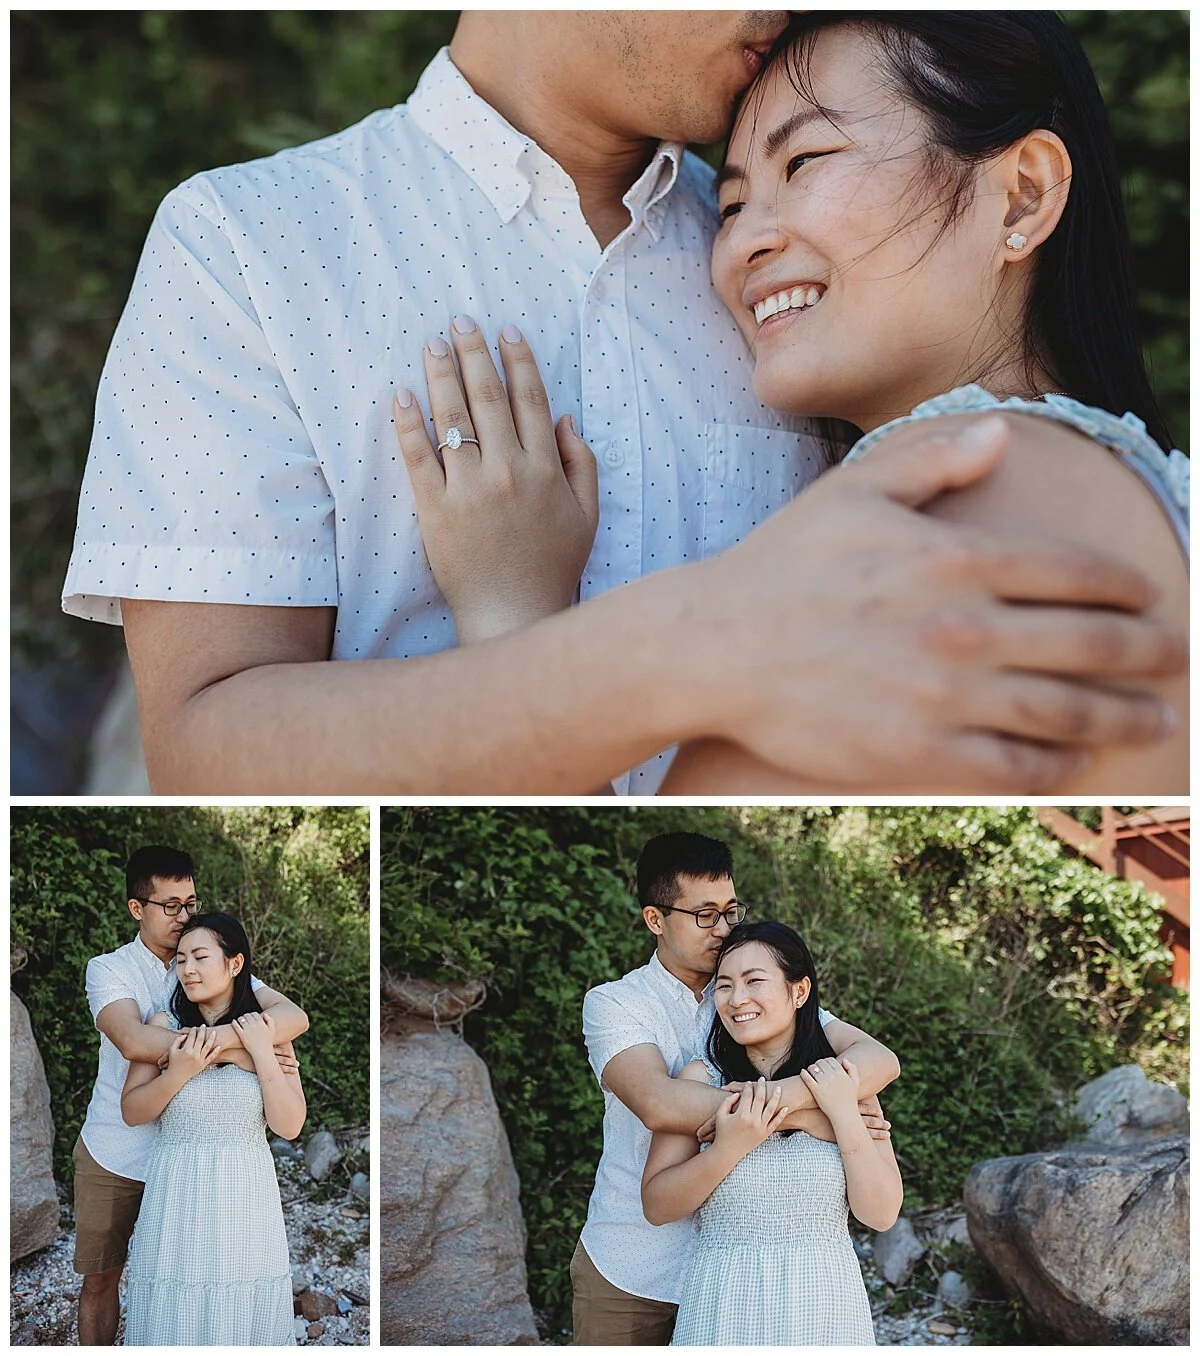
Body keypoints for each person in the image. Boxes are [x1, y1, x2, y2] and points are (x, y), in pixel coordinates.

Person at [62, 12, 1184, 796]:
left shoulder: (808, 305)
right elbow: (206, 753)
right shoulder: (253, 244)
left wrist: (538, 624)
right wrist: (671, 647)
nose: (748, 230)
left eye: (804, 164)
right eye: (748, 191)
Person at [395, 12, 1189, 797]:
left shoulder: (944, 495)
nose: (742, 244)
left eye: (806, 160)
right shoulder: (1115, 484)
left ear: (1021, 196)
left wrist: (513, 615)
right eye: (731, 206)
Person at [573, 832, 899, 1345]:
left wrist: (825, 1105)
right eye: (705, 915)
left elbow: (877, 1059)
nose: (723, 928)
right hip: (636, 1264)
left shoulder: (752, 990)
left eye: (731, 910)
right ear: (656, 919)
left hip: (747, 1277)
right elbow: (660, 1104)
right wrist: (818, 1115)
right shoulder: (617, 1004)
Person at [74, 846, 308, 1346]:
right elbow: (135, 1041)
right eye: (171, 906)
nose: (184, 916)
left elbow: (292, 1017)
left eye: (190, 902)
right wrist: (244, 1050)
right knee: (101, 1278)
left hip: (197, 1162)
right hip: (118, 1147)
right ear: (138, 909)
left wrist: (250, 1047)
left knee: (206, 1282)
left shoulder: (208, 956)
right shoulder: (110, 969)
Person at [642, 921, 902, 1345]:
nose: (737, 998)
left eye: (754, 981)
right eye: (724, 985)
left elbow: (881, 1213)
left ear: (799, 992)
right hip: (722, 1304)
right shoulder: (700, 1079)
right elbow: (657, 1204)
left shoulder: (844, 1082)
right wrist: (729, 1147)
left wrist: (836, 1113)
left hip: (824, 1306)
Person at [120, 912, 304, 1345]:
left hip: (245, 1190)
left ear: (235, 964)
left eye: (200, 957)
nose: (187, 969)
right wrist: (178, 1072)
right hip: (177, 1188)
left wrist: (258, 1052)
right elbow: (132, 1110)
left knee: (239, 1305)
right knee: (174, 1306)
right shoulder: (164, 1026)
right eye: (181, 959)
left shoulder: (268, 1030)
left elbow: (290, 1125)